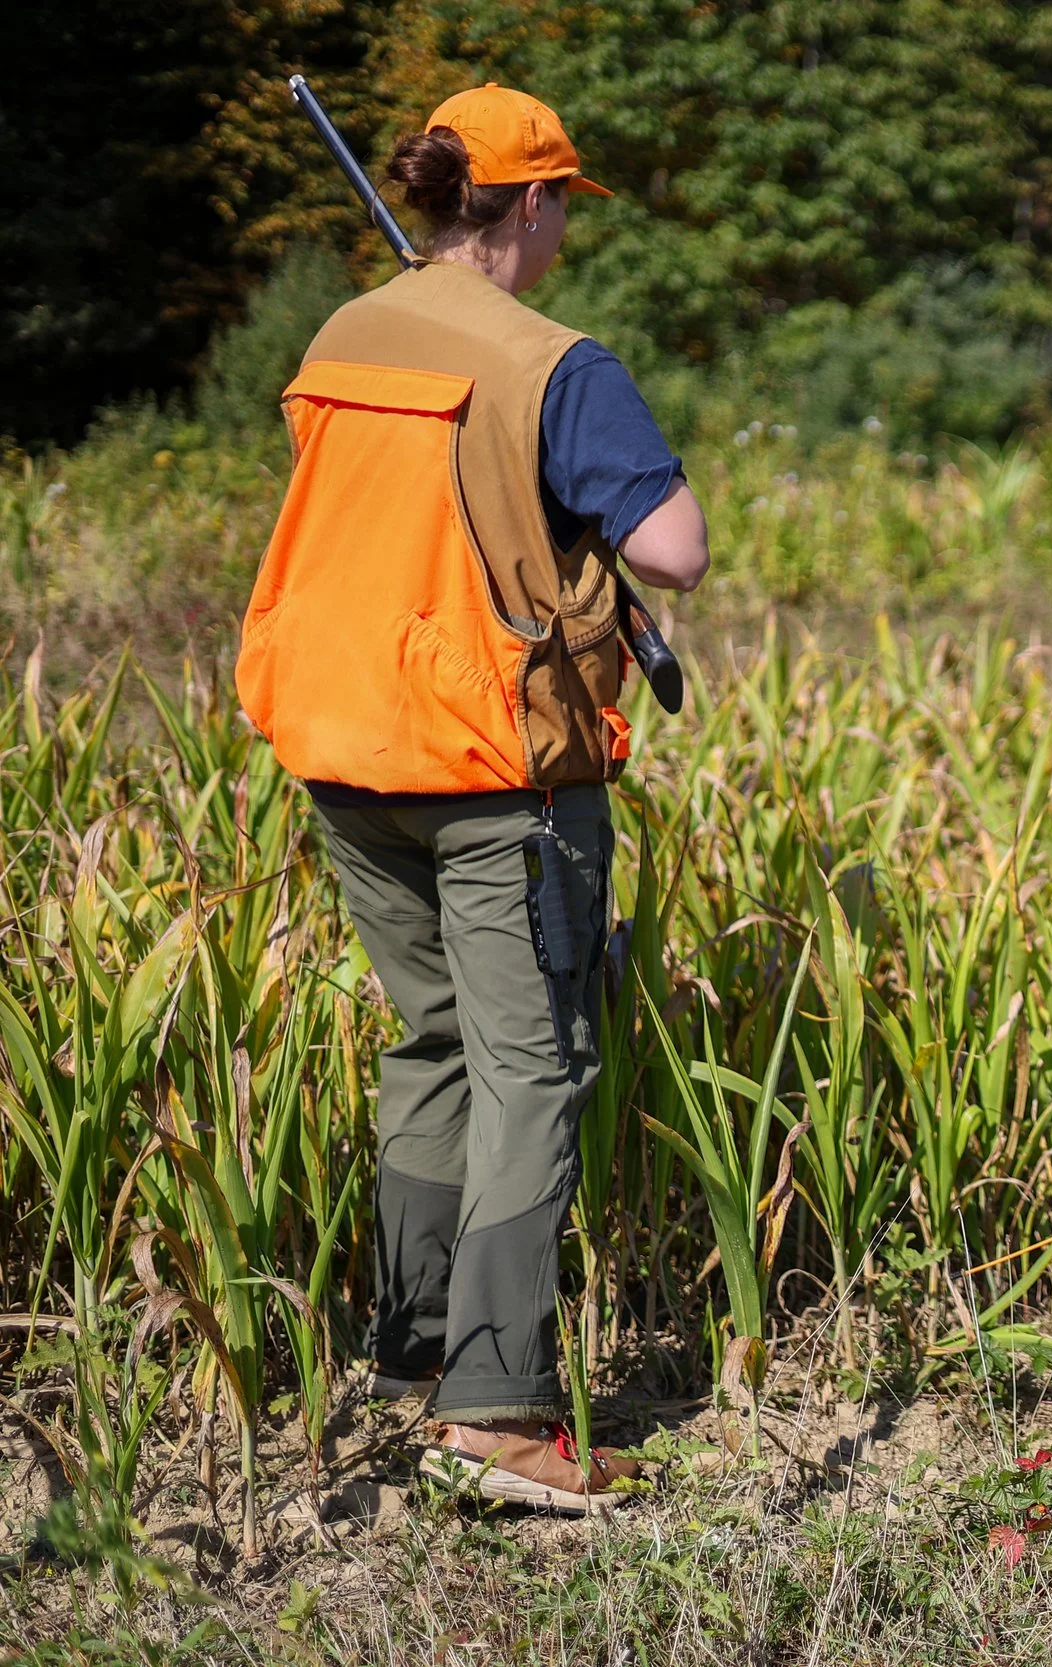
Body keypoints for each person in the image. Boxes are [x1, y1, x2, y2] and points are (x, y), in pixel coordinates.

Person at [234, 84, 709, 1512]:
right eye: (566, 203)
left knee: (431, 1038)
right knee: (533, 1062)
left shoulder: (344, 334)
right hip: (492, 766)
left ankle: (416, 1343)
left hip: (341, 745)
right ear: (538, 203)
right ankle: (495, 1407)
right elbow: (673, 549)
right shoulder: (556, 362)